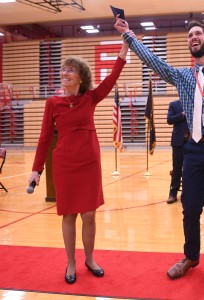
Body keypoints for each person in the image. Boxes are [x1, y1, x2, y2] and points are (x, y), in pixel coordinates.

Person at [114, 18, 204, 289]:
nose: (193, 37)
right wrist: (129, 36)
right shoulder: (182, 76)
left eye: (198, 34)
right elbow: (154, 62)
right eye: (190, 35)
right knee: (189, 208)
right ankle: (191, 257)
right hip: (194, 149)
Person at [28, 42, 128, 284]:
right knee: (69, 215)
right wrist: (36, 170)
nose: (65, 73)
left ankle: (90, 258)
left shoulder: (90, 98)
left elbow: (112, 77)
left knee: (90, 214)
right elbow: (43, 138)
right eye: (63, 69)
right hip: (64, 164)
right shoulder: (52, 103)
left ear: (81, 77)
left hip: (89, 163)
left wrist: (124, 48)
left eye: (70, 69)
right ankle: (71, 262)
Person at [167, 99, 189, 204]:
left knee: (190, 170)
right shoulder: (174, 104)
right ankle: (172, 194)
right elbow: (169, 120)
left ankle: (187, 194)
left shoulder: (194, 103)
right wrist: (182, 114)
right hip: (178, 142)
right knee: (176, 169)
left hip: (192, 142)